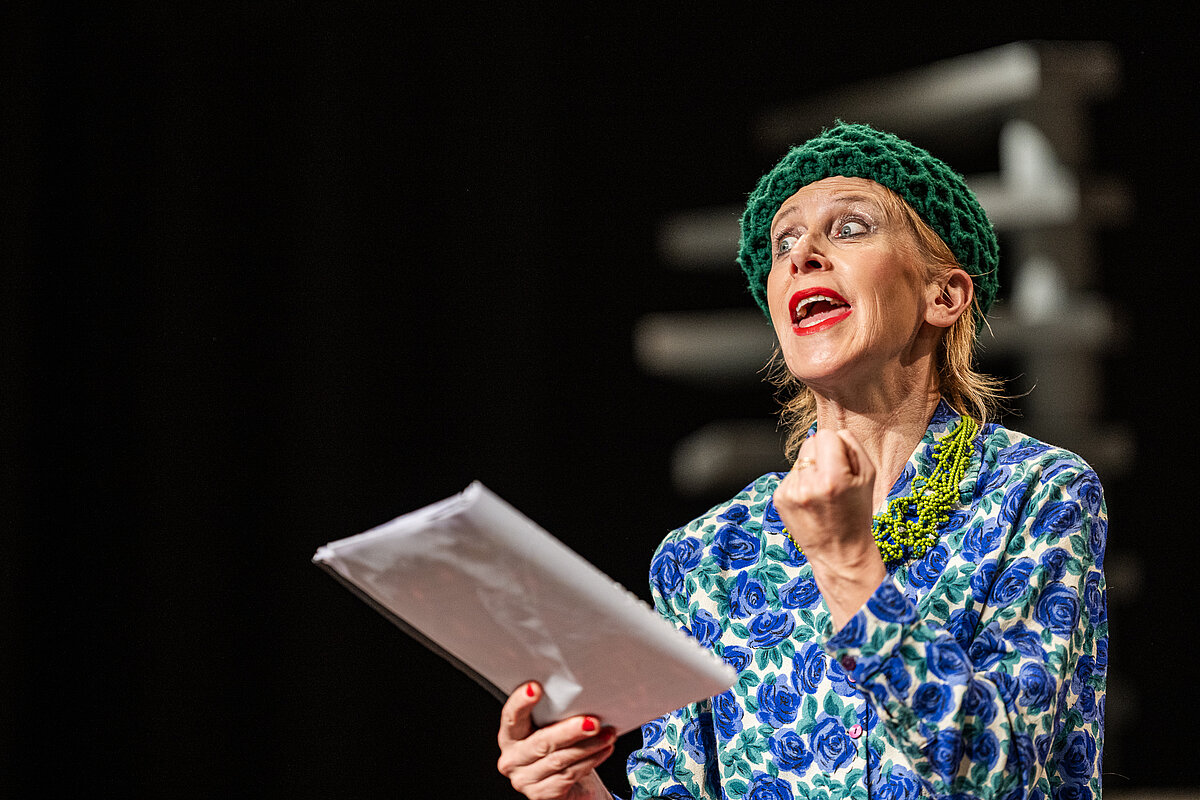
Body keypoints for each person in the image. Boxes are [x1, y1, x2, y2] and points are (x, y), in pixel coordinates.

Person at [496, 122, 1107, 800]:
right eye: (784, 242)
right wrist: (578, 791)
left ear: (944, 296)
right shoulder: (706, 556)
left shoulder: (1037, 494)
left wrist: (849, 565)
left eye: (850, 228)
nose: (802, 255)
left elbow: (1003, 774)